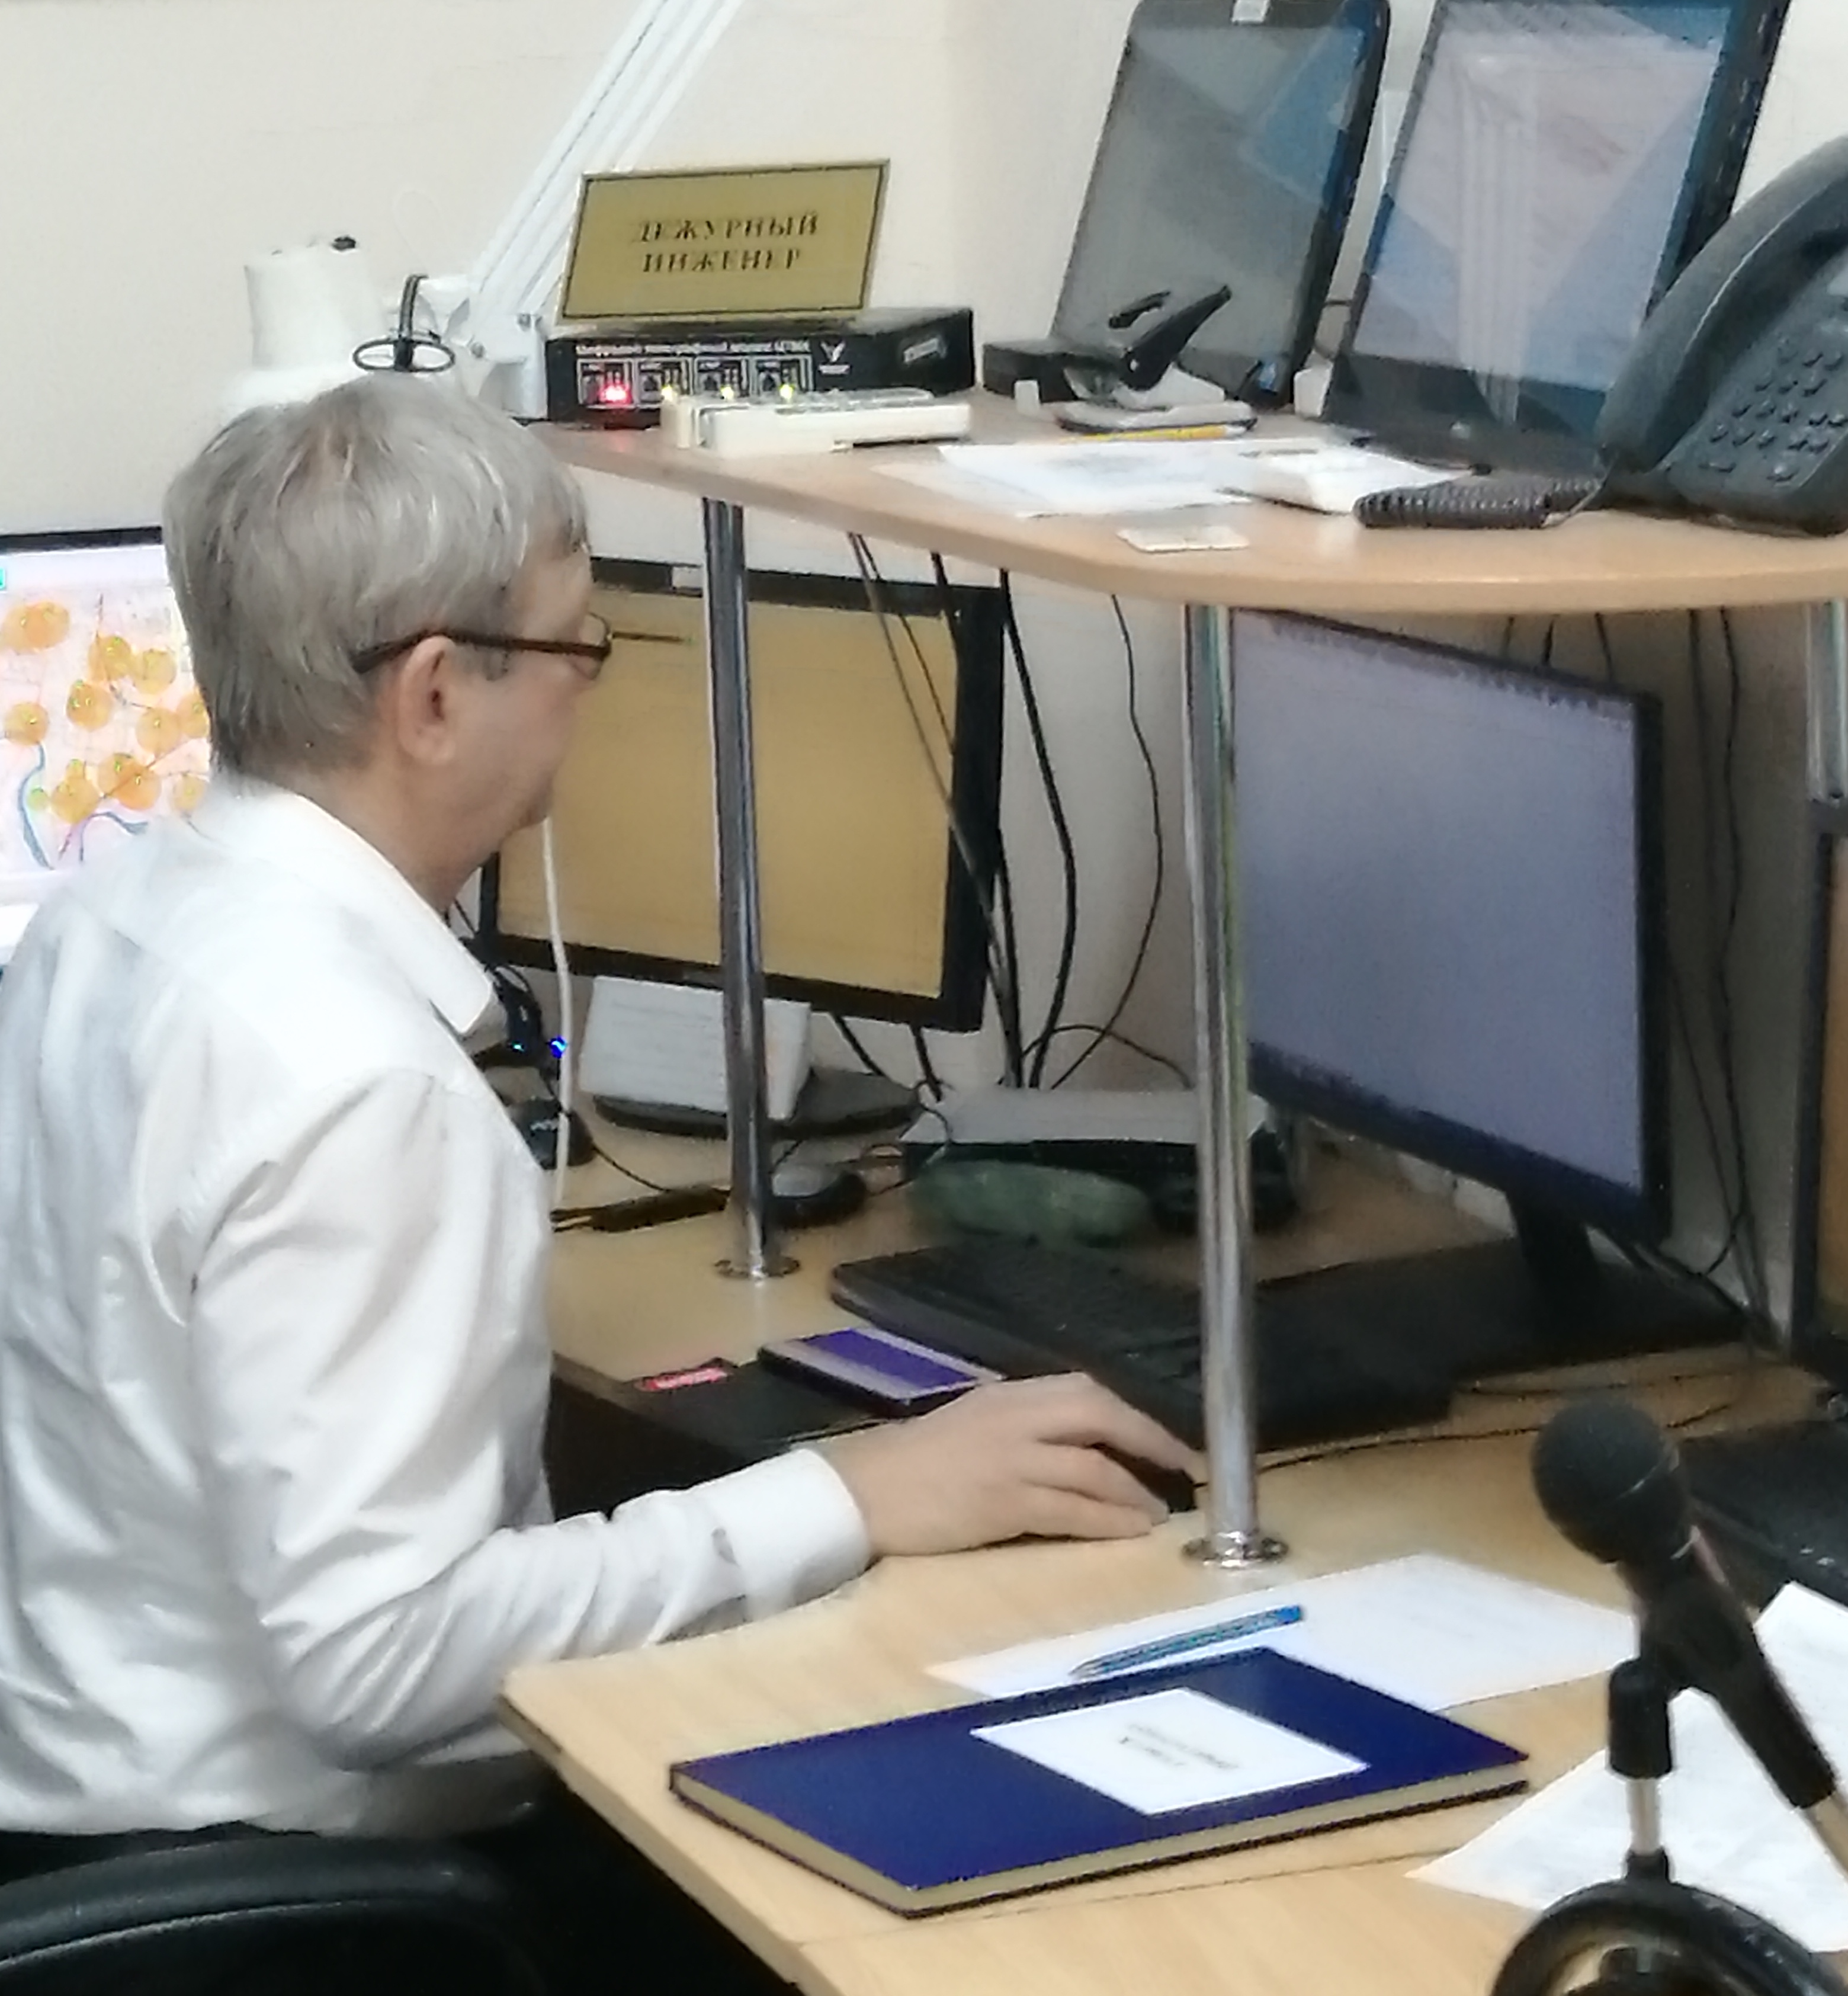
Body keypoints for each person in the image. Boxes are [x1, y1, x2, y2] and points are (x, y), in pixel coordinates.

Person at [0, 377, 1198, 1989]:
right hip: (296, 1909)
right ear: (435, 695)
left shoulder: (109, 924)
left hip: (85, 1808)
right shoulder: (359, 1083)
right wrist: (856, 1495)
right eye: (582, 648)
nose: (591, 690)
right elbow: (381, 1664)